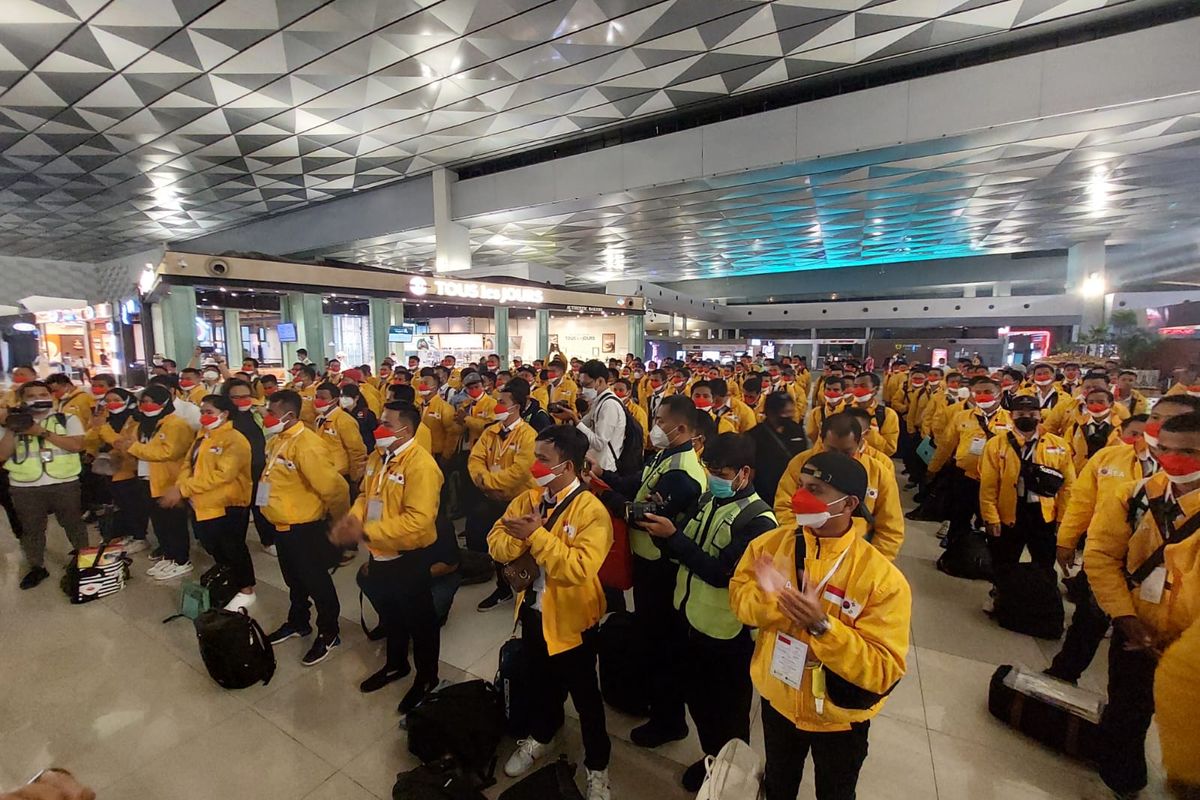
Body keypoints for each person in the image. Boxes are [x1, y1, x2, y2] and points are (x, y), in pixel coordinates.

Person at [730, 451, 911, 800]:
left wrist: (822, 628)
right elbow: (740, 603)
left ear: (849, 503)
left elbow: (883, 669)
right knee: (779, 785)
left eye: (816, 489)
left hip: (839, 716)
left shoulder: (881, 579)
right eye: (801, 486)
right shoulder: (770, 546)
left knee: (836, 792)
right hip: (779, 699)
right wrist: (779, 602)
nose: (800, 497)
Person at [637, 433, 777, 791]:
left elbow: (722, 575)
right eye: (709, 467)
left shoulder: (759, 522)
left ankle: (730, 773)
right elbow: (682, 547)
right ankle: (709, 754)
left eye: (721, 470)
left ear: (744, 473)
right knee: (698, 700)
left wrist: (675, 538)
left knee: (726, 714)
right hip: (690, 617)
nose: (713, 475)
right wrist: (662, 527)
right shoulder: (708, 500)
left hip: (726, 635)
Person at [488, 426, 614, 800]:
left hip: (574, 619)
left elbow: (578, 568)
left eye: (543, 459)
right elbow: (495, 542)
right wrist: (520, 536)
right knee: (539, 682)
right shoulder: (528, 499)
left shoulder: (592, 511)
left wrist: (537, 536)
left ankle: (597, 765)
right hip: (532, 612)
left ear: (568, 467)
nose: (535, 465)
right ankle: (542, 735)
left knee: (585, 696)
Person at [1085, 411, 1200, 798]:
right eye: (1164, 449)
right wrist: (1124, 615)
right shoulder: (1136, 495)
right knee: (1125, 713)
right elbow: (1101, 554)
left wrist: (1182, 647)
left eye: (1189, 452)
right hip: (1135, 629)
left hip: (1191, 651)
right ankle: (1123, 783)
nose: (1173, 459)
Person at [596, 395, 706, 749]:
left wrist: (608, 499)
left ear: (682, 428)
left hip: (664, 571)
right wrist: (605, 477)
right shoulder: (664, 456)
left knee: (664, 646)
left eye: (660, 421)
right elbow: (638, 483)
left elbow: (641, 513)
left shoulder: (684, 473)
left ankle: (669, 721)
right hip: (647, 565)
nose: (654, 427)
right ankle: (655, 704)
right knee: (649, 637)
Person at [332, 402, 444, 710]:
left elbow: (419, 520)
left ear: (405, 430)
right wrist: (355, 519)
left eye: (386, 424)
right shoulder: (377, 457)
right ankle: (396, 664)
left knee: (421, 623)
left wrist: (366, 533)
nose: (378, 428)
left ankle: (427, 677)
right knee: (391, 614)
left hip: (408, 556)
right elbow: (366, 495)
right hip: (379, 554)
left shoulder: (420, 465)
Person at [260, 390, 352, 666]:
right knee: (294, 580)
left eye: (272, 413)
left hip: (305, 528)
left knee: (317, 582)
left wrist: (340, 523)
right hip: (282, 525)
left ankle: (329, 632)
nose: (267, 417)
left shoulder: (307, 445)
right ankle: (299, 621)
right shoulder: (277, 440)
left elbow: (335, 489)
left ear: (290, 414)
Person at [160, 394, 256, 611]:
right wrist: (181, 488)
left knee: (233, 548)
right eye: (202, 411)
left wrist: (183, 489)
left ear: (224, 414)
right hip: (201, 503)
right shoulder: (202, 436)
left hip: (228, 504)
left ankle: (246, 589)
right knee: (214, 547)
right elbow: (188, 465)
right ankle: (229, 580)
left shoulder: (234, 439)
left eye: (209, 412)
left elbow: (223, 475)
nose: (204, 416)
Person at [774, 413, 905, 560]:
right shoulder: (801, 464)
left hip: (855, 555)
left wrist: (869, 562)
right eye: (832, 450)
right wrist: (801, 541)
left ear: (860, 443)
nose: (838, 458)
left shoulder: (879, 473)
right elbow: (784, 507)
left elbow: (890, 529)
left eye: (846, 452)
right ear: (821, 441)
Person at [0, 380, 88, 589]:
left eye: (43, 394)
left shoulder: (66, 419)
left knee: (74, 523)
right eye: (32, 396)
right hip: (25, 486)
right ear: (21, 400)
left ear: (52, 397)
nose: (39, 398)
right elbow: (2, 454)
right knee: (32, 529)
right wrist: (14, 428)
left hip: (64, 482)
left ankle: (84, 560)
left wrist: (41, 432)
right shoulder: (9, 424)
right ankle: (36, 566)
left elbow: (76, 445)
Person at [977, 394, 1075, 573]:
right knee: (1004, 560)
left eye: (1032, 414)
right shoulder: (996, 444)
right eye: (1020, 413)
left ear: (1040, 415)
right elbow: (988, 485)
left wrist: (1063, 520)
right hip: (1010, 512)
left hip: (1045, 514)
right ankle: (1001, 595)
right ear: (1011, 415)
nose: (1026, 418)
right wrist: (990, 517)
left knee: (1044, 562)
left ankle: (1042, 597)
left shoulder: (1059, 445)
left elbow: (1068, 487)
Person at [469, 382, 537, 612]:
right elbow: (476, 459)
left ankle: (525, 586)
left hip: (517, 500)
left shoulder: (528, 435)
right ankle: (503, 587)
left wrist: (490, 484)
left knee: (518, 548)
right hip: (491, 497)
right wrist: (485, 484)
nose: (497, 405)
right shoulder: (491, 431)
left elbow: (520, 471)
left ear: (516, 406)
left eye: (502, 402)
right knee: (496, 543)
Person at [115, 384, 195, 579]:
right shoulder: (142, 424)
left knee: (174, 524)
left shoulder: (177, 424)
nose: (147, 405)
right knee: (159, 523)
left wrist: (134, 448)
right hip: (146, 478)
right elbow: (128, 444)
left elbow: (168, 452)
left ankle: (181, 559)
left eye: (151, 402)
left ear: (164, 402)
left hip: (169, 480)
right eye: (144, 401)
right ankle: (168, 555)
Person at [926, 375, 1013, 539]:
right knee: (959, 519)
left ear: (1000, 394)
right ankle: (954, 556)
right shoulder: (962, 416)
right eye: (977, 392)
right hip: (965, 478)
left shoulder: (1011, 419)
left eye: (987, 392)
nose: (982, 396)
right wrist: (933, 468)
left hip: (997, 481)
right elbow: (946, 445)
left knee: (991, 522)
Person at [89, 388, 147, 551]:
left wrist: (104, 429)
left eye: (116, 399)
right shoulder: (105, 419)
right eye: (107, 401)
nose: (111, 404)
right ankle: (128, 534)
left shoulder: (135, 419)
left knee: (133, 505)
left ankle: (140, 536)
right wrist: (97, 426)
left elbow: (123, 444)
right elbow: (89, 440)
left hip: (128, 469)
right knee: (120, 504)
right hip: (107, 468)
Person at [223, 378, 272, 556]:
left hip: (261, 469)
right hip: (236, 473)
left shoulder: (257, 414)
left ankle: (268, 540)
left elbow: (273, 433)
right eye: (236, 397)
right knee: (238, 511)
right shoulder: (224, 419)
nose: (242, 400)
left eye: (246, 396)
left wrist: (266, 414)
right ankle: (236, 546)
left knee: (262, 506)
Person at [555, 360, 626, 473]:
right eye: (581, 385)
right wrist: (570, 416)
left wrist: (576, 421)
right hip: (594, 464)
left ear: (600, 381)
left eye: (587, 385)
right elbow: (583, 425)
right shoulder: (599, 401)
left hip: (605, 468)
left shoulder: (609, 405)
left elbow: (599, 443)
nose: (583, 390)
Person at [748, 392, 808, 504]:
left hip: (791, 493)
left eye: (791, 412)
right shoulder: (754, 435)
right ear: (771, 413)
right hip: (763, 494)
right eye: (785, 413)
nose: (789, 416)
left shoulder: (796, 430)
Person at [313, 382, 368, 500]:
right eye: (317, 397)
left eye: (323, 398)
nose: (318, 401)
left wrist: (355, 478)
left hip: (342, 474)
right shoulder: (319, 419)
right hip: (324, 472)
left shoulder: (344, 420)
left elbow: (356, 451)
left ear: (335, 400)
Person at [1065, 387, 1123, 472]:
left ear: (1111, 404)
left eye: (1100, 402)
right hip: (1080, 474)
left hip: (1111, 474)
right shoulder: (1076, 426)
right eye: (1091, 402)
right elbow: (1067, 450)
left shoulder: (1122, 427)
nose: (1095, 405)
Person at [848, 372, 900, 456]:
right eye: (855, 386)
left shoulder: (887, 414)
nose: (858, 390)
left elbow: (889, 449)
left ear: (875, 390)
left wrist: (869, 432)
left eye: (863, 386)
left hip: (874, 462)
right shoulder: (844, 410)